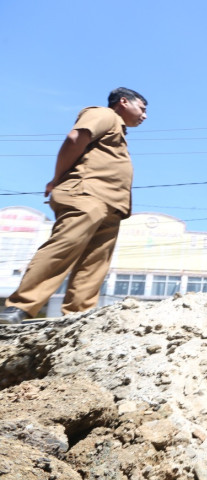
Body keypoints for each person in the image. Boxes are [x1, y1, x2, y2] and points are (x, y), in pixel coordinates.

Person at [0, 88, 148, 325]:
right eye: (142, 108)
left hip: (112, 205)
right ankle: (21, 306)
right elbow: (74, 139)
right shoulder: (105, 114)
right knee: (64, 246)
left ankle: (79, 316)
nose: (144, 115)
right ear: (123, 102)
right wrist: (56, 179)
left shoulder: (118, 130)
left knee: (95, 263)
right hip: (87, 194)